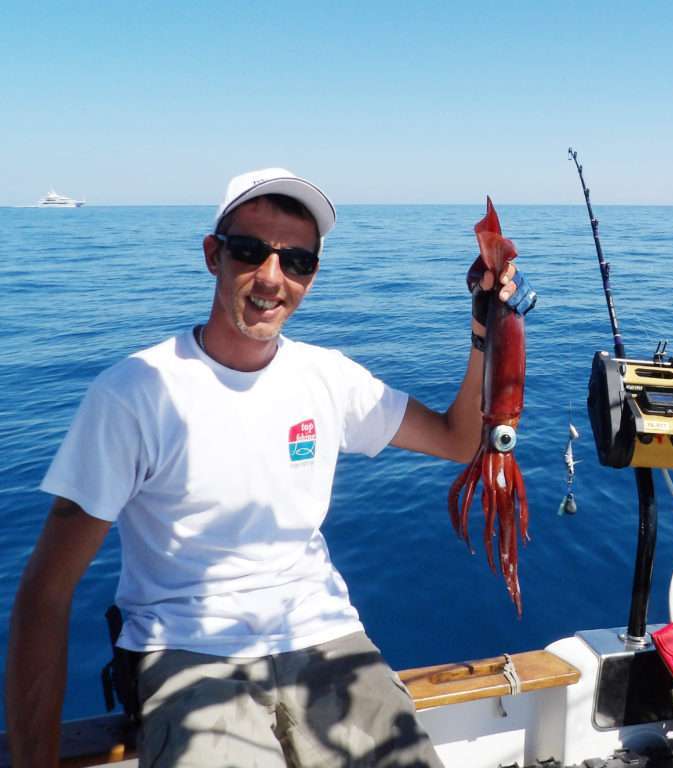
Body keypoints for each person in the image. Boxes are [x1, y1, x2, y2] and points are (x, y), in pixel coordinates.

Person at [4, 168, 536, 767]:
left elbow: (460, 440)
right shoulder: (134, 393)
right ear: (213, 254)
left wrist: (484, 328)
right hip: (188, 650)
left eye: (298, 261)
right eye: (250, 251)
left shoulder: (328, 377)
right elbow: (46, 592)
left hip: (324, 635)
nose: (271, 277)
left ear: (313, 274)